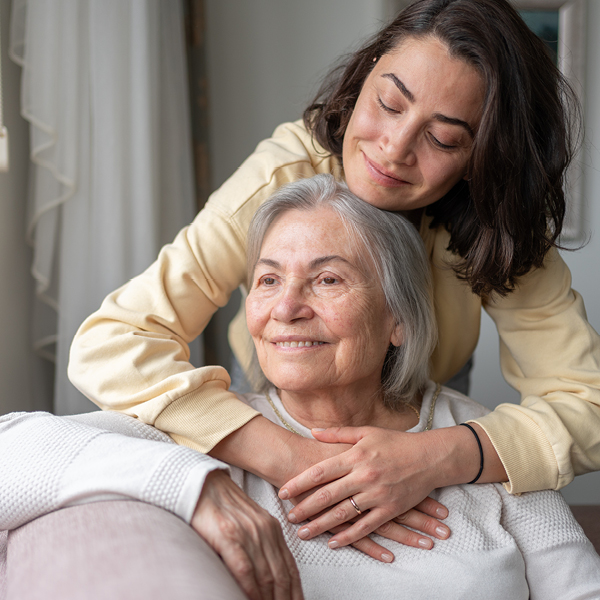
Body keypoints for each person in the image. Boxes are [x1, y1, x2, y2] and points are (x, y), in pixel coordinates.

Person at [68, 0, 600, 555]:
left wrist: (431, 456)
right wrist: (292, 457)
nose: (393, 150)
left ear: (483, 158)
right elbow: (111, 343)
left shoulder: (500, 222)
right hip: (274, 416)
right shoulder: (281, 178)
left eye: (442, 139)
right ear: (362, 78)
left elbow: (588, 404)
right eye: (388, 103)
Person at [4, 176, 600, 599]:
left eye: (328, 278)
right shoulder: (208, 430)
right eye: (267, 279)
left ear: (399, 317)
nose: (285, 307)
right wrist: (197, 487)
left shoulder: (481, 444)